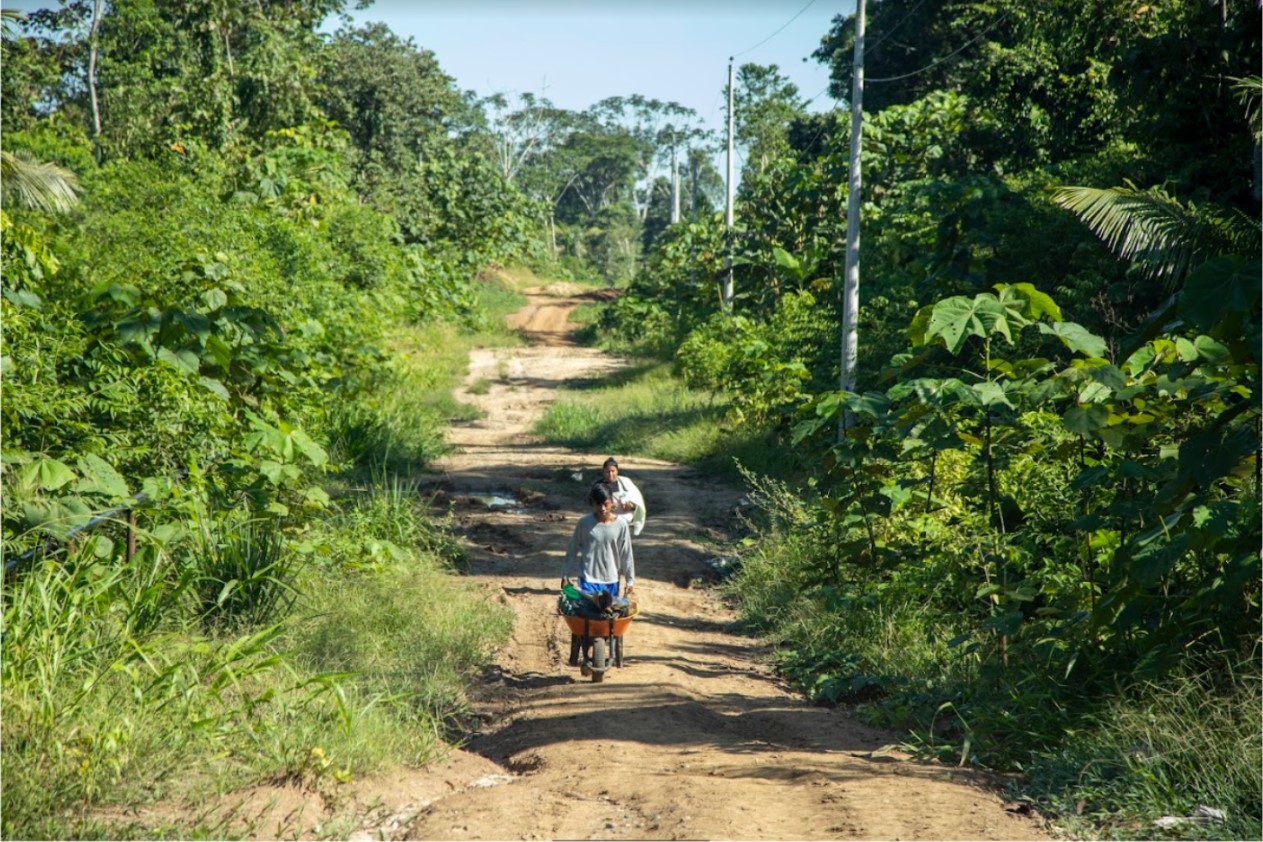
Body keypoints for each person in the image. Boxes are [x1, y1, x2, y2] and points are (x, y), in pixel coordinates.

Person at [561, 483, 635, 598]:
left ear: (612, 501)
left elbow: (626, 554)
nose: (602, 509)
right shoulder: (584, 524)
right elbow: (572, 550)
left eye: (606, 504)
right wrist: (565, 574)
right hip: (588, 579)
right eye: (598, 505)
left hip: (612, 580)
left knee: (607, 613)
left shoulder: (621, 525)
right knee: (589, 612)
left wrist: (630, 580)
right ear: (593, 503)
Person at [594, 457, 646, 537]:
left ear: (617, 471)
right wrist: (609, 506)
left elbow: (638, 500)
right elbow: (593, 503)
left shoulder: (625, 483)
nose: (610, 474)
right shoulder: (598, 486)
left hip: (624, 521)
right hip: (605, 520)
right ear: (603, 472)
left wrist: (631, 506)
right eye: (607, 472)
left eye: (613, 471)